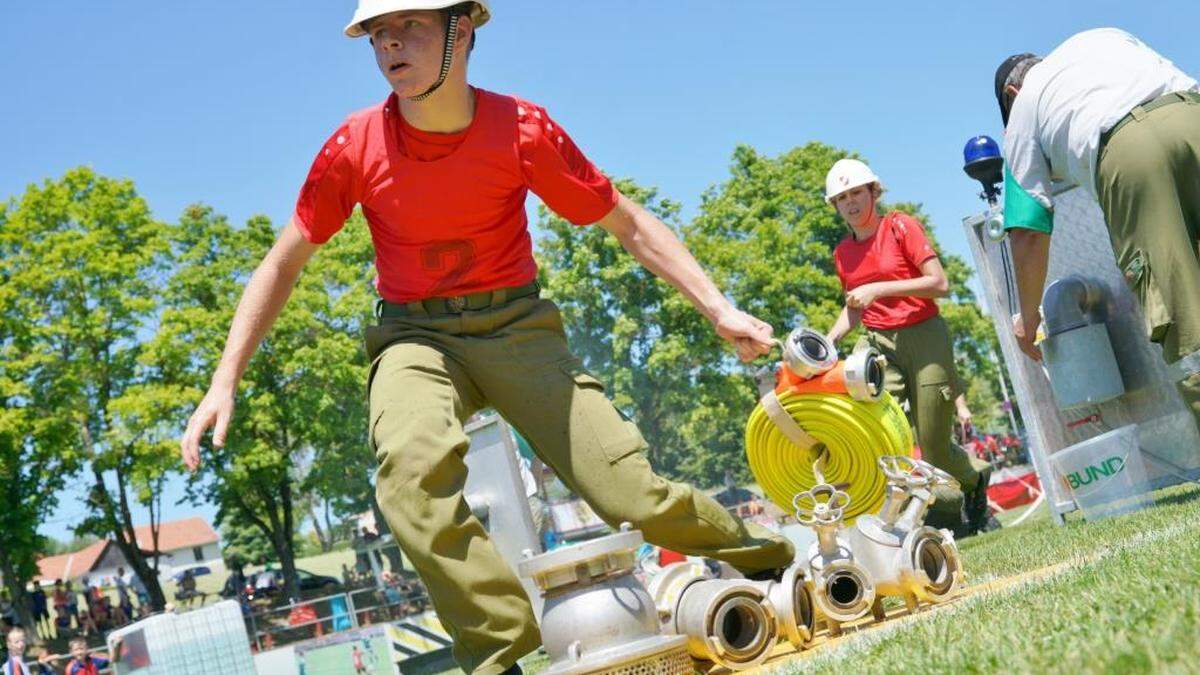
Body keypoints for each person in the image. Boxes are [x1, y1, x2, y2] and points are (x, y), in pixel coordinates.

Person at [178, 2, 793, 672]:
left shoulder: (521, 129)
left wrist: (718, 308)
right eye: (378, 34)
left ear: (461, 32)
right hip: (415, 337)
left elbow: (627, 224)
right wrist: (224, 377)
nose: (390, 44)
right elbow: (283, 260)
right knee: (409, 476)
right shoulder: (354, 146)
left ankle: (776, 560)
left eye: (409, 26)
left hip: (516, 328)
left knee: (632, 496)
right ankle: (501, 649)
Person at [996, 29, 1200, 430]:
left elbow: (1028, 232)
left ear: (1012, 93)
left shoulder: (1021, 114)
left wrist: (1029, 319)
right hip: (1192, 113)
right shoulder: (1100, 38)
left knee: (1184, 318)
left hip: (1132, 156)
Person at [822, 158, 996, 536]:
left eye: (856, 193)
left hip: (925, 335)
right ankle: (943, 515)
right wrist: (828, 342)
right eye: (841, 198)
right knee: (878, 431)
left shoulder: (901, 226)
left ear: (873, 192)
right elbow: (854, 308)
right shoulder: (842, 253)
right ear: (834, 206)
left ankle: (974, 481)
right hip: (879, 346)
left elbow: (939, 284)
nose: (850, 203)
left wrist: (879, 289)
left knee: (933, 446)